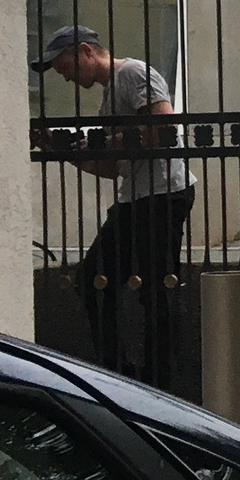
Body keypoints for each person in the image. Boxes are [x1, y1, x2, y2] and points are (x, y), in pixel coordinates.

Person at [33, 25, 193, 388]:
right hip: (136, 197)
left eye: (66, 67)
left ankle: (159, 380)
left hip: (163, 194)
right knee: (95, 281)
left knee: (155, 289)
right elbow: (113, 167)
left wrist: (108, 141)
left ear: (86, 51)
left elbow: (165, 128)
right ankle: (123, 374)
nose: (67, 78)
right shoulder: (109, 97)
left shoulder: (133, 73)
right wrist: (67, 152)